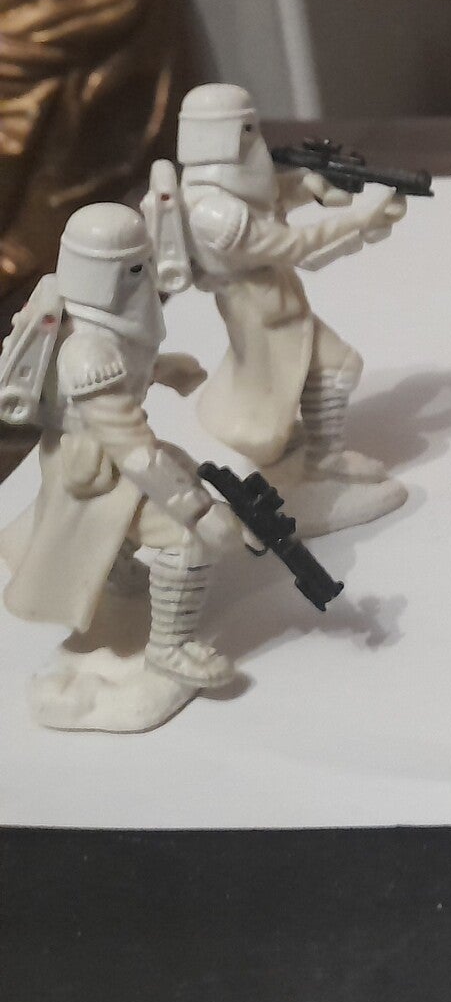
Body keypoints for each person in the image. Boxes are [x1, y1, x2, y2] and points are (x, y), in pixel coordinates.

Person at [0, 204, 245, 731]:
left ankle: (123, 578)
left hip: (98, 454)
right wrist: (194, 510)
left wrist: (158, 370)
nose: (146, 275)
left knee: (144, 517)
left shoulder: (91, 321)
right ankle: (169, 650)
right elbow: (129, 444)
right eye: (135, 267)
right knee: (187, 540)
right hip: (97, 468)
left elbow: (120, 371)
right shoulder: (87, 350)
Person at [145, 83, 408, 535]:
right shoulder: (213, 213)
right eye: (246, 129)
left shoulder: (214, 186)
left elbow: (265, 199)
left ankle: (306, 452)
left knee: (293, 380)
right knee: (334, 366)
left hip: (271, 301)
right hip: (260, 310)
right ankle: (323, 460)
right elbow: (289, 245)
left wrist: (308, 186)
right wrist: (359, 221)